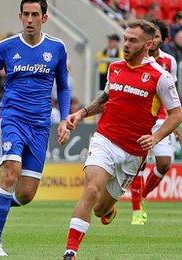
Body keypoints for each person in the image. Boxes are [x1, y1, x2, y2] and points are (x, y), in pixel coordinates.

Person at [61, 19, 182, 260]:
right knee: (92, 187)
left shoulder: (161, 77)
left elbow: (176, 113)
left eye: (132, 40)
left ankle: (109, 209)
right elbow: (106, 98)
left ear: (148, 44)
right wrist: (81, 113)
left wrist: (156, 136)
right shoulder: (115, 68)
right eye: (125, 39)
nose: (126, 44)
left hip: (133, 152)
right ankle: (70, 252)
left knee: (100, 209)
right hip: (105, 139)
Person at [0, 0, 71, 256]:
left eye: (35, 15)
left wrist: (64, 118)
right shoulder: (6, 47)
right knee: (10, 174)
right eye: (26, 14)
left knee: (27, 193)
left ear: (45, 17)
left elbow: (63, 86)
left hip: (41, 125)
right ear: (20, 16)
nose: (30, 19)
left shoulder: (57, 48)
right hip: (12, 119)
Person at [129, 18, 180, 226]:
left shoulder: (169, 62)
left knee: (164, 163)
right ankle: (136, 211)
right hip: (140, 119)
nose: (153, 39)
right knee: (138, 164)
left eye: (157, 36)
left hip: (161, 120)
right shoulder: (136, 60)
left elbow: (172, 95)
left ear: (160, 40)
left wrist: (176, 128)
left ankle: (142, 196)